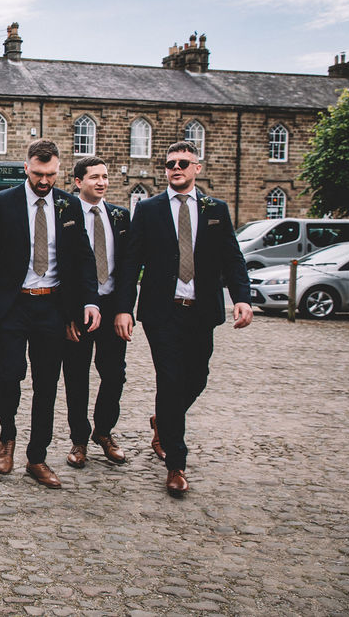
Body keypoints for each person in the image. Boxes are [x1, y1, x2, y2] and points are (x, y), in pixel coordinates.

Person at [114, 140, 252, 496]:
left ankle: (163, 420)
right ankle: (176, 464)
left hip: (201, 310)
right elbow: (132, 263)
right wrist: (125, 308)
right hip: (163, 312)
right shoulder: (148, 209)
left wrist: (242, 299)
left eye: (183, 163)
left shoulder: (215, 209)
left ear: (196, 169)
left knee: (198, 377)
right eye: (170, 163)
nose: (176, 168)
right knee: (171, 380)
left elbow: (232, 259)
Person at [0, 138, 101, 489]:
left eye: (50, 174)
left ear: (59, 170)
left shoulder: (69, 205)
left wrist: (88, 303)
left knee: (47, 384)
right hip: (14, 304)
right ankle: (7, 434)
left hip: (53, 306)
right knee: (10, 374)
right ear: (26, 168)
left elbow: (83, 259)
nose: (44, 181)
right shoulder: (3, 202)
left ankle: (37, 457)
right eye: (37, 174)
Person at [60, 157, 130, 469]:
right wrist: (68, 316)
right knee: (76, 377)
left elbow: (129, 268)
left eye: (104, 176)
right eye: (94, 177)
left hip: (112, 307)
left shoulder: (120, 216)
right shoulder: (65, 216)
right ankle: (79, 439)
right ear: (78, 182)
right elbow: (58, 268)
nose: (101, 182)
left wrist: (125, 310)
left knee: (114, 374)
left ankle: (104, 431)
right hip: (78, 311)